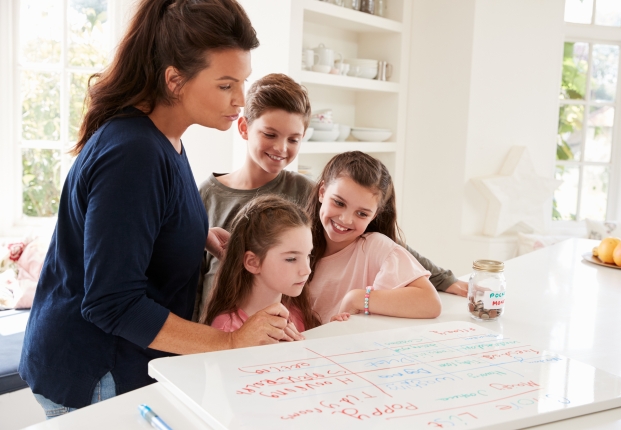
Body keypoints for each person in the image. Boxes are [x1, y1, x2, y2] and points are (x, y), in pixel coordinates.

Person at [19, 0, 297, 418]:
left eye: (243, 82)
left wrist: (196, 232)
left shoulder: (165, 137)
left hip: (116, 363)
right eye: (225, 85)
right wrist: (230, 342)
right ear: (174, 80)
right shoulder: (135, 153)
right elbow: (112, 303)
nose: (241, 99)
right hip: (97, 372)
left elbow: (136, 217)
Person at [194, 74, 467, 321]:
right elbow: (189, 279)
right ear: (244, 128)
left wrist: (444, 279)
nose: (281, 147)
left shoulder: (305, 191)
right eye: (270, 134)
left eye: (294, 139)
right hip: (217, 330)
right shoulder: (207, 195)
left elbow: (387, 241)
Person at [305, 151, 442, 323]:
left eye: (362, 213)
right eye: (339, 203)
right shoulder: (296, 242)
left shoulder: (374, 246)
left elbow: (430, 302)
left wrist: (356, 298)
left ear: (374, 215)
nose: (346, 219)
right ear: (322, 192)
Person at [202, 195, 323, 334]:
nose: (307, 270)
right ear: (252, 262)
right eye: (291, 259)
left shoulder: (298, 315)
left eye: (308, 255)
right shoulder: (227, 328)